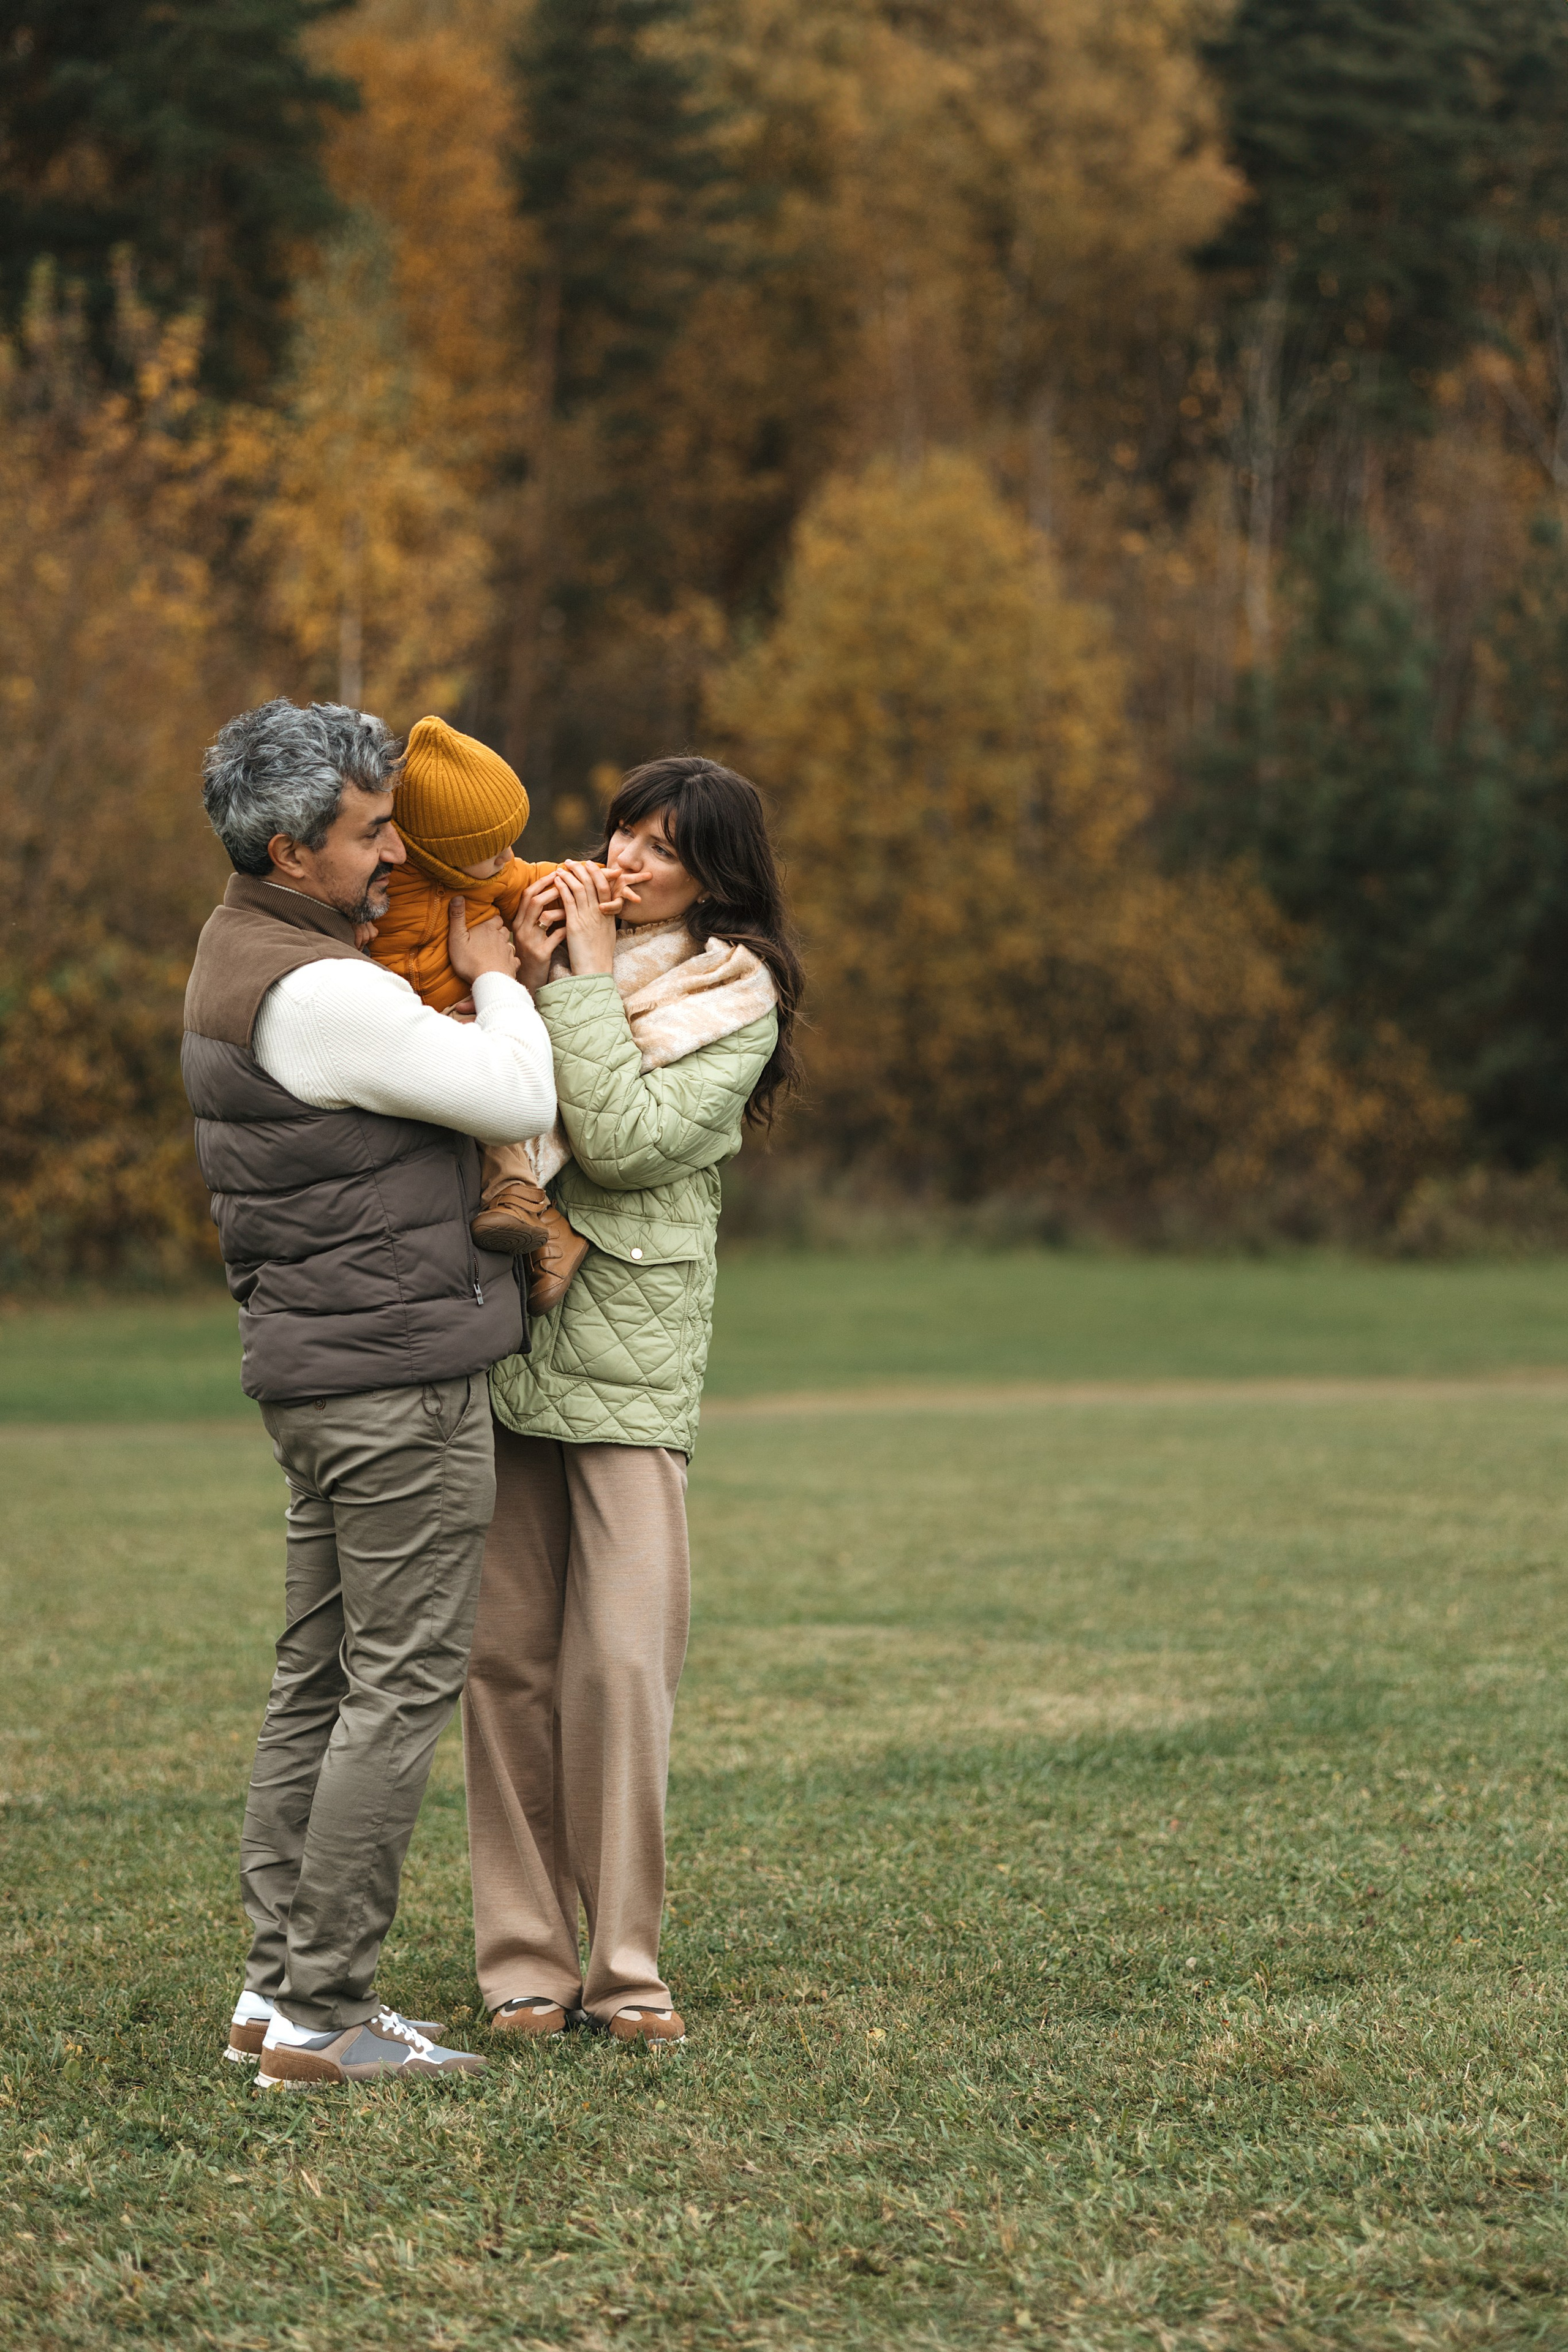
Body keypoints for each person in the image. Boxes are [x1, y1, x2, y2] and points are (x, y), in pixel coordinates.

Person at [184, 697, 556, 2089]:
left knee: (319, 1680)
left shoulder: (245, 947)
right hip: (394, 1387)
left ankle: (272, 1996)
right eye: (368, 830)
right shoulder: (327, 991)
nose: (397, 849)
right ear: (290, 849)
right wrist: (494, 964)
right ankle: (326, 2008)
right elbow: (516, 1085)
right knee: (394, 1690)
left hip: (328, 1373)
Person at [461, 755, 802, 2047]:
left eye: (663, 845)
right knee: (502, 1665)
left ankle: (627, 1970)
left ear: (715, 875)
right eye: (622, 830)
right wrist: (521, 968)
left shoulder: (734, 992)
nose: (629, 857)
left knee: (618, 1666)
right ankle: (522, 1966)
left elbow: (616, 1137)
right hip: (501, 1338)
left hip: (627, 1363)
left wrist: (582, 975)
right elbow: (477, 1092)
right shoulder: (550, 949)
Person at [361, 713, 567, 1262]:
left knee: (492, 1105)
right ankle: (551, 1247)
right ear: (437, 853)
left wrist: (597, 880)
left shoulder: (494, 877)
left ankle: (519, 1200)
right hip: (399, 1028)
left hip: (466, 1014)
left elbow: (540, 879)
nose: (507, 858)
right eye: (494, 848)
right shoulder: (380, 878)